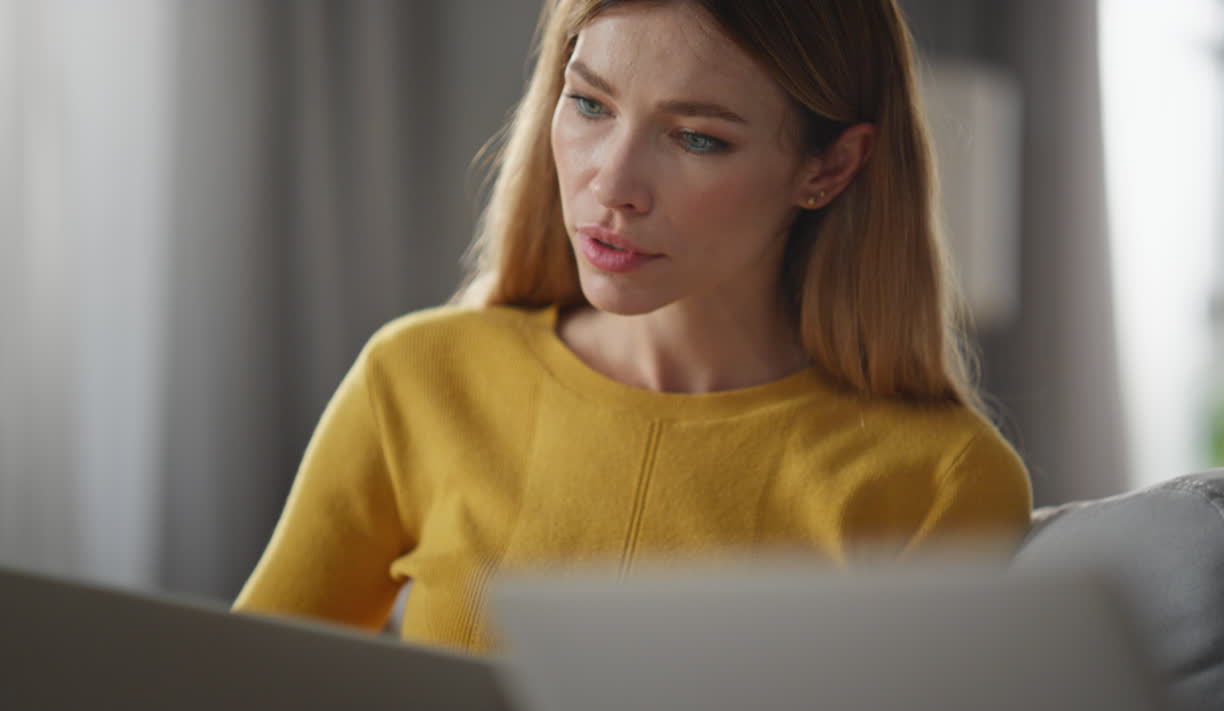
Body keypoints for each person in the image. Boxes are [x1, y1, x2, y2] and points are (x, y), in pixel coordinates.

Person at [233, 0, 1032, 654]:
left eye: (696, 137)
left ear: (829, 169)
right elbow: (235, 694)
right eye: (588, 103)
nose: (611, 183)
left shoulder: (943, 482)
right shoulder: (414, 380)